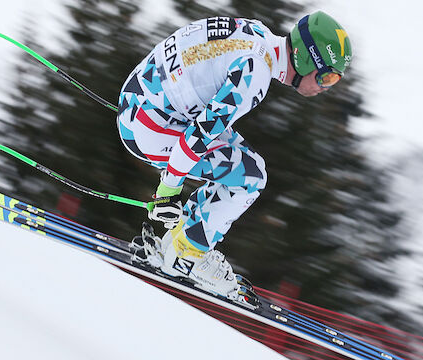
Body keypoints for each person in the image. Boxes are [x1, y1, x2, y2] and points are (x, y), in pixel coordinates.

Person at [116, 11, 352, 301]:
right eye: (327, 76)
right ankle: (186, 256)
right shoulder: (256, 74)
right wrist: (168, 189)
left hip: (138, 101)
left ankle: (180, 243)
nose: (325, 87)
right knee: (250, 178)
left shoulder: (258, 35)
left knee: (248, 166)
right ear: (306, 59)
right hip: (150, 128)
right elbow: (201, 134)